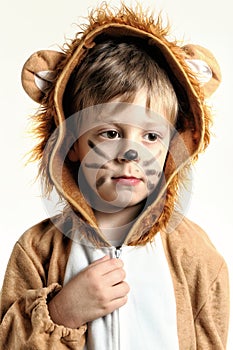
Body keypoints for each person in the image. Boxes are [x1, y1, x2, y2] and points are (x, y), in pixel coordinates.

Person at [0, 2, 229, 349]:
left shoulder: (194, 255)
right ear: (72, 144)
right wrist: (62, 314)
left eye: (151, 136)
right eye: (109, 133)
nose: (129, 153)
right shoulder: (37, 251)